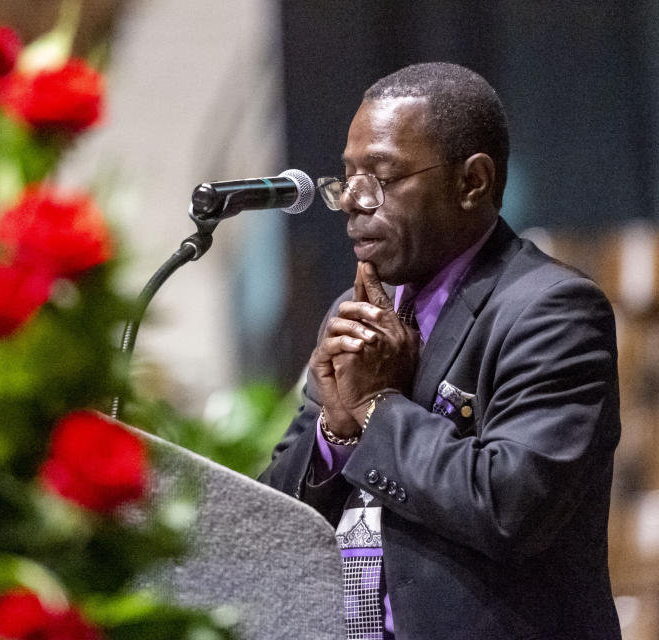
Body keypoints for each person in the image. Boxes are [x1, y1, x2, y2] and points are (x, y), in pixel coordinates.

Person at [258, 62, 621, 639]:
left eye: (382, 176)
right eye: (348, 177)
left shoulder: (551, 309)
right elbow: (275, 521)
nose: (354, 199)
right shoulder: (354, 316)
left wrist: (376, 407)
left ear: (472, 181)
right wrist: (335, 431)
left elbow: (509, 507)